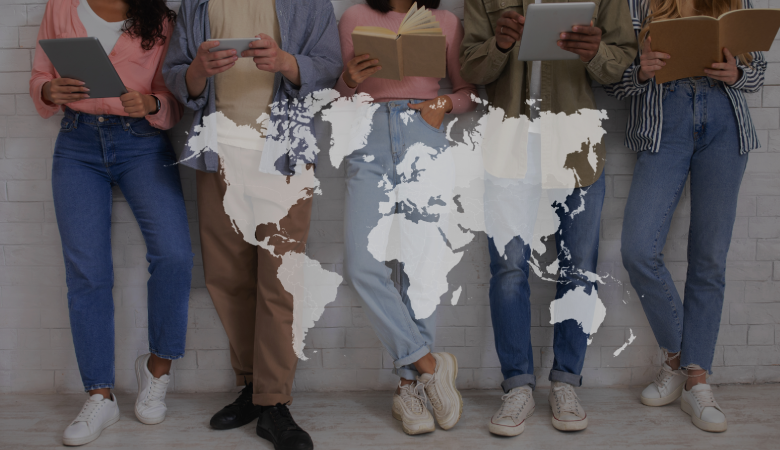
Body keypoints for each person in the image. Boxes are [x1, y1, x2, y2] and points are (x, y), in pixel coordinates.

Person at [162, 0, 341, 448]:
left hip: (283, 158)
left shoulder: (309, 4)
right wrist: (199, 70)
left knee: (279, 282)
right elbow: (176, 77)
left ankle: (274, 401)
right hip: (218, 154)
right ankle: (253, 387)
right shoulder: (198, 4)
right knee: (228, 279)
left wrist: (287, 63)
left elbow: (330, 70)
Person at [460, 0, 637, 436]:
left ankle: (566, 381)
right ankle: (517, 386)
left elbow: (621, 66)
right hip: (508, 147)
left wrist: (596, 53)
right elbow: (471, 68)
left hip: (576, 147)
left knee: (579, 268)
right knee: (509, 269)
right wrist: (499, 45)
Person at [29, 0, 191, 446]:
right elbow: (40, 75)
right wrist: (48, 91)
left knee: (175, 255)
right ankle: (100, 395)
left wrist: (152, 102)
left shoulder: (160, 18)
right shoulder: (61, 8)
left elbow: (173, 100)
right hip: (77, 144)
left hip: (141, 143)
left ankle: (158, 368)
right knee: (87, 273)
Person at [608, 0, 765, 433]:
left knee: (709, 258)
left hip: (725, 123)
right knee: (639, 249)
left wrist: (738, 74)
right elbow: (613, 79)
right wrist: (641, 71)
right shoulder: (637, 3)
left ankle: (696, 379)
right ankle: (679, 359)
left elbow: (759, 71)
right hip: (666, 120)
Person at [335, 0, 477, 436]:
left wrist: (442, 106)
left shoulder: (447, 22)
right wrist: (349, 80)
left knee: (418, 270)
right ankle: (430, 364)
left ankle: (408, 389)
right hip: (369, 138)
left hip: (424, 136)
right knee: (362, 264)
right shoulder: (356, 18)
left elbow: (469, 92)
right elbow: (340, 96)